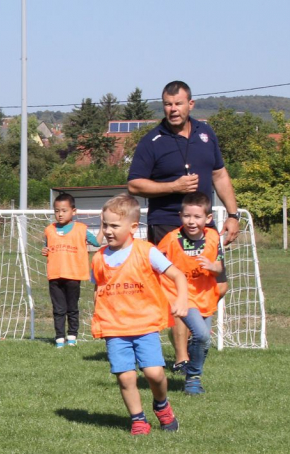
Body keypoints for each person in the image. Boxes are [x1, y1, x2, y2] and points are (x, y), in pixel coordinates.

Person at [127, 80, 240, 371]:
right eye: (167, 104)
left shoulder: (206, 133)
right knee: (176, 288)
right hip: (167, 225)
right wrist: (172, 186)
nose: (173, 109)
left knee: (218, 282)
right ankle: (182, 357)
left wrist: (232, 213)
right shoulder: (152, 140)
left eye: (178, 104)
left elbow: (220, 175)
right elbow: (134, 183)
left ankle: (196, 338)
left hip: (206, 225)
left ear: (190, 105)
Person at [91, 194, 188, 435]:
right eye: (105, 225)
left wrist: (182, 299)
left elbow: (178, 275)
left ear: (133, 227)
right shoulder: (98, 258)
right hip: (115, 328)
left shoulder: (147, 252)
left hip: (145, 325)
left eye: (114, 225)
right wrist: (100, 317)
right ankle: (138, 419)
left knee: (154, 374)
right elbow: (98, 289)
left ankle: (162, 405)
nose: (108, 230)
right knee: (125, 377)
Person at [158, 192, 223, 395]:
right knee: (201, 335)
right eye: (187, 216)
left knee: (204, 342)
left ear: (208, 219)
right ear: (180, 216)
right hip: (182, 296)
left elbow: (219, 267)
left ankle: (192, 374)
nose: (191, 221)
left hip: (206, 295)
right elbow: (154, 262)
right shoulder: (171, 239)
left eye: (197, 217)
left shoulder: (213, 237)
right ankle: (193, 379)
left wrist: (212, 267)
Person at [41, 193, 102, 348]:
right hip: (55, 275)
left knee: (72, 308)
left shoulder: (81, 229)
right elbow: (48, 247)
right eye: (57, 211)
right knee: (58, 309)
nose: (60, 214)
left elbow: (96, 242)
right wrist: (45, 250)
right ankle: (59, 338)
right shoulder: (49, 229)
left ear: (73, 211)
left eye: (64, 210)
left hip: (73, 275)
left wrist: (103, 226)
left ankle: (72, 336)